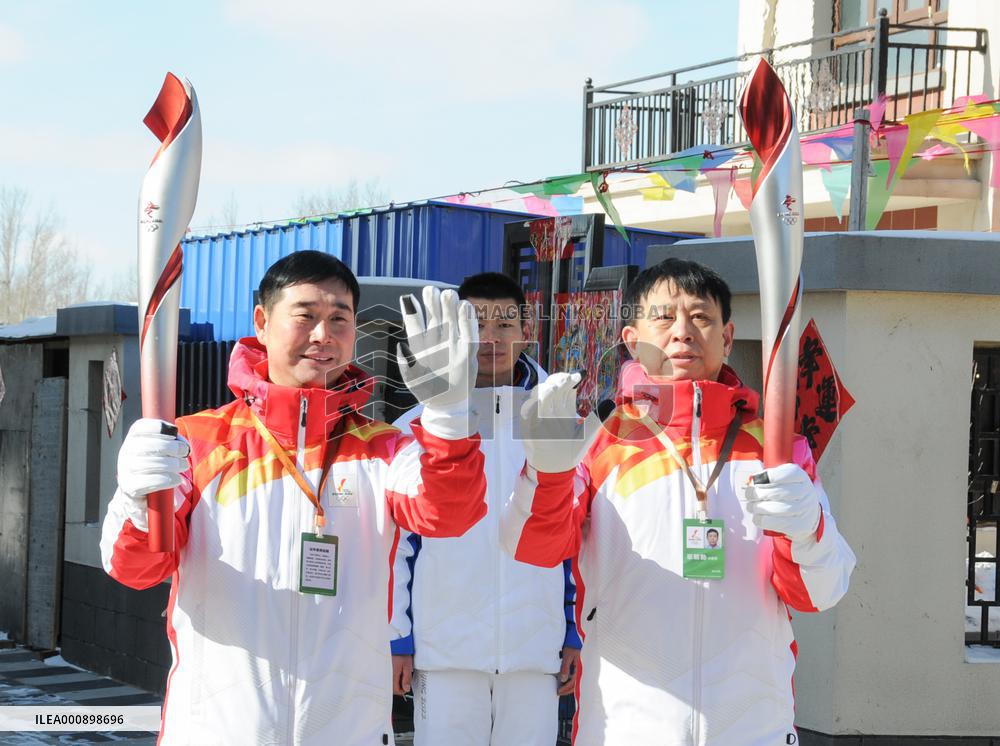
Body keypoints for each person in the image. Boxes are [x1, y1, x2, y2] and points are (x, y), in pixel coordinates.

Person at [100, 250, 488, 745]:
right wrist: (136, 497)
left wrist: (450, 417)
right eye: (305, 316)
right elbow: (136, 569)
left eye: (339, 319)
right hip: (218, 732)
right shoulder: (197, 443)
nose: (323, 335)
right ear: (262, 323)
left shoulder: (385, 448)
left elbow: (450, 514)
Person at [502, 258, 856, 745]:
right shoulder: (600, 443)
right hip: (627, 728)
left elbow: (819, 593)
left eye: (701, 318)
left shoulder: (777, 448)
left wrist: (809, 529)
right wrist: (545, 473)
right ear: (632, 338)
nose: (683, 332)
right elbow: (533, 547)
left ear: (727, 337)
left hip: (753, 729)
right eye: (664, 317)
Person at [389, 272, 581, 746]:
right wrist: (400, 637)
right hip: (444, 650)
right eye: (476, 324)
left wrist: (574, 631)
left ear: (525, 329)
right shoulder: (417, 424)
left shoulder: (557, 417)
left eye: (505, 323)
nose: (491, 338)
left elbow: (576, 535)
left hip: (534, 651)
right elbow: (398, 543)